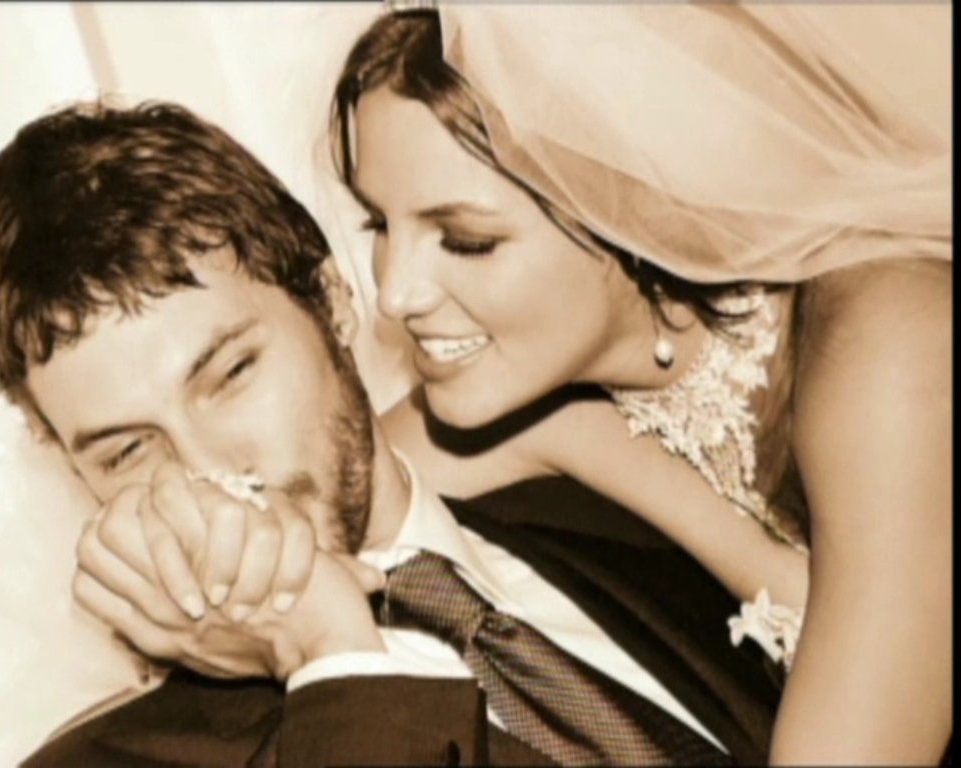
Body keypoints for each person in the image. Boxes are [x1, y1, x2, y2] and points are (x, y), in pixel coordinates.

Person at [0, 99, 783, 766]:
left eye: (232, 375)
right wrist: (330, 652)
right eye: (129, 451)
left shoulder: (608, 500)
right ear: (72, 473)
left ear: (332, 301)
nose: (209, 471)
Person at [329, 6, 951, 764]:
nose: (394, 294)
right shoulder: (559, 405)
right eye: (380, 225)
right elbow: (320, 493)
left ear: (625, 204)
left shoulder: (892, 345)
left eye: (466, 241)